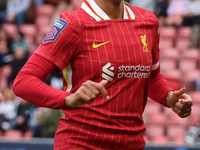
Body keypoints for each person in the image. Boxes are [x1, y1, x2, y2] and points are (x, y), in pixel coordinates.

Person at [13, 0, 193, 149]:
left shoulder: (148, 21)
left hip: (133, 144)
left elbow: (152, 77)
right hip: (81, 143)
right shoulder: (74, 23)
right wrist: (68, 99)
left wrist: (169, 97)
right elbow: (23, 81)